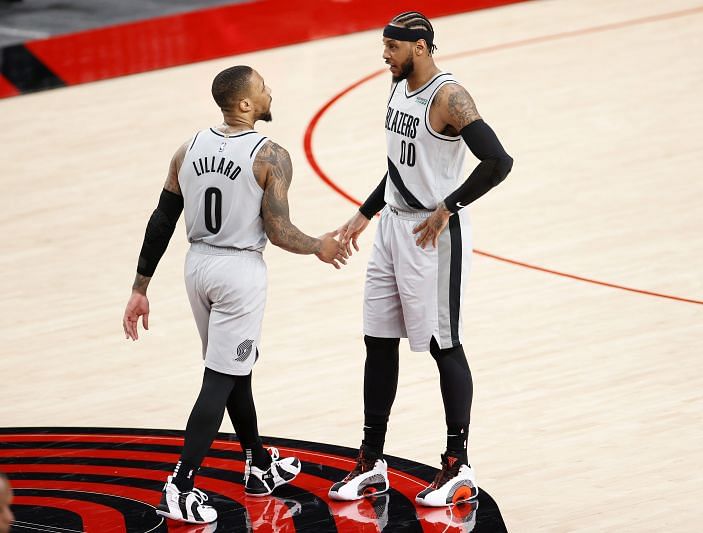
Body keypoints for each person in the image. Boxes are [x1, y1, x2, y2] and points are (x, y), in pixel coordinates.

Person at [122, 65, 345, 524]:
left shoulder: (188, 149)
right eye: (262, 87)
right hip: (238, 272)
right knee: (219, 378)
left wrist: (139, 286)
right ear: (245, 104)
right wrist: (318, 246)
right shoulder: (272, 156)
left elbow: (161, 219)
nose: (269, 91)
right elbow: (279, 231)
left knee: (233, 366)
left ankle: (259, 464)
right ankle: (180, 484)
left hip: (196, 265)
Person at [328, 11, 513, 507]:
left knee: (443, 344)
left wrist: (449, 206)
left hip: (435, 237)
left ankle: (458, 465)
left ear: (422, 46)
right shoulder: (396, 86)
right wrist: (365, 214)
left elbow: (499, 162)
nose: (385, 54)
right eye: (383, 45)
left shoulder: (449, 97)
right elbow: (398, 164)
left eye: (392, 46)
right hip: (392, 226)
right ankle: (371, 462)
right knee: (377, 340)